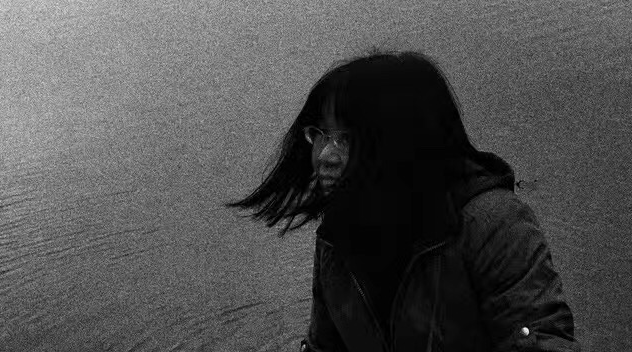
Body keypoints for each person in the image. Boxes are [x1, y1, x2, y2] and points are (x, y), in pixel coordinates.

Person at [228, 51, 580, 352]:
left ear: (401, 142)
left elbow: (544, 341)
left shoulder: (493, 224)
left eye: (346, 138)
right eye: (319, 134)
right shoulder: (338, 235)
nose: (325, 156)